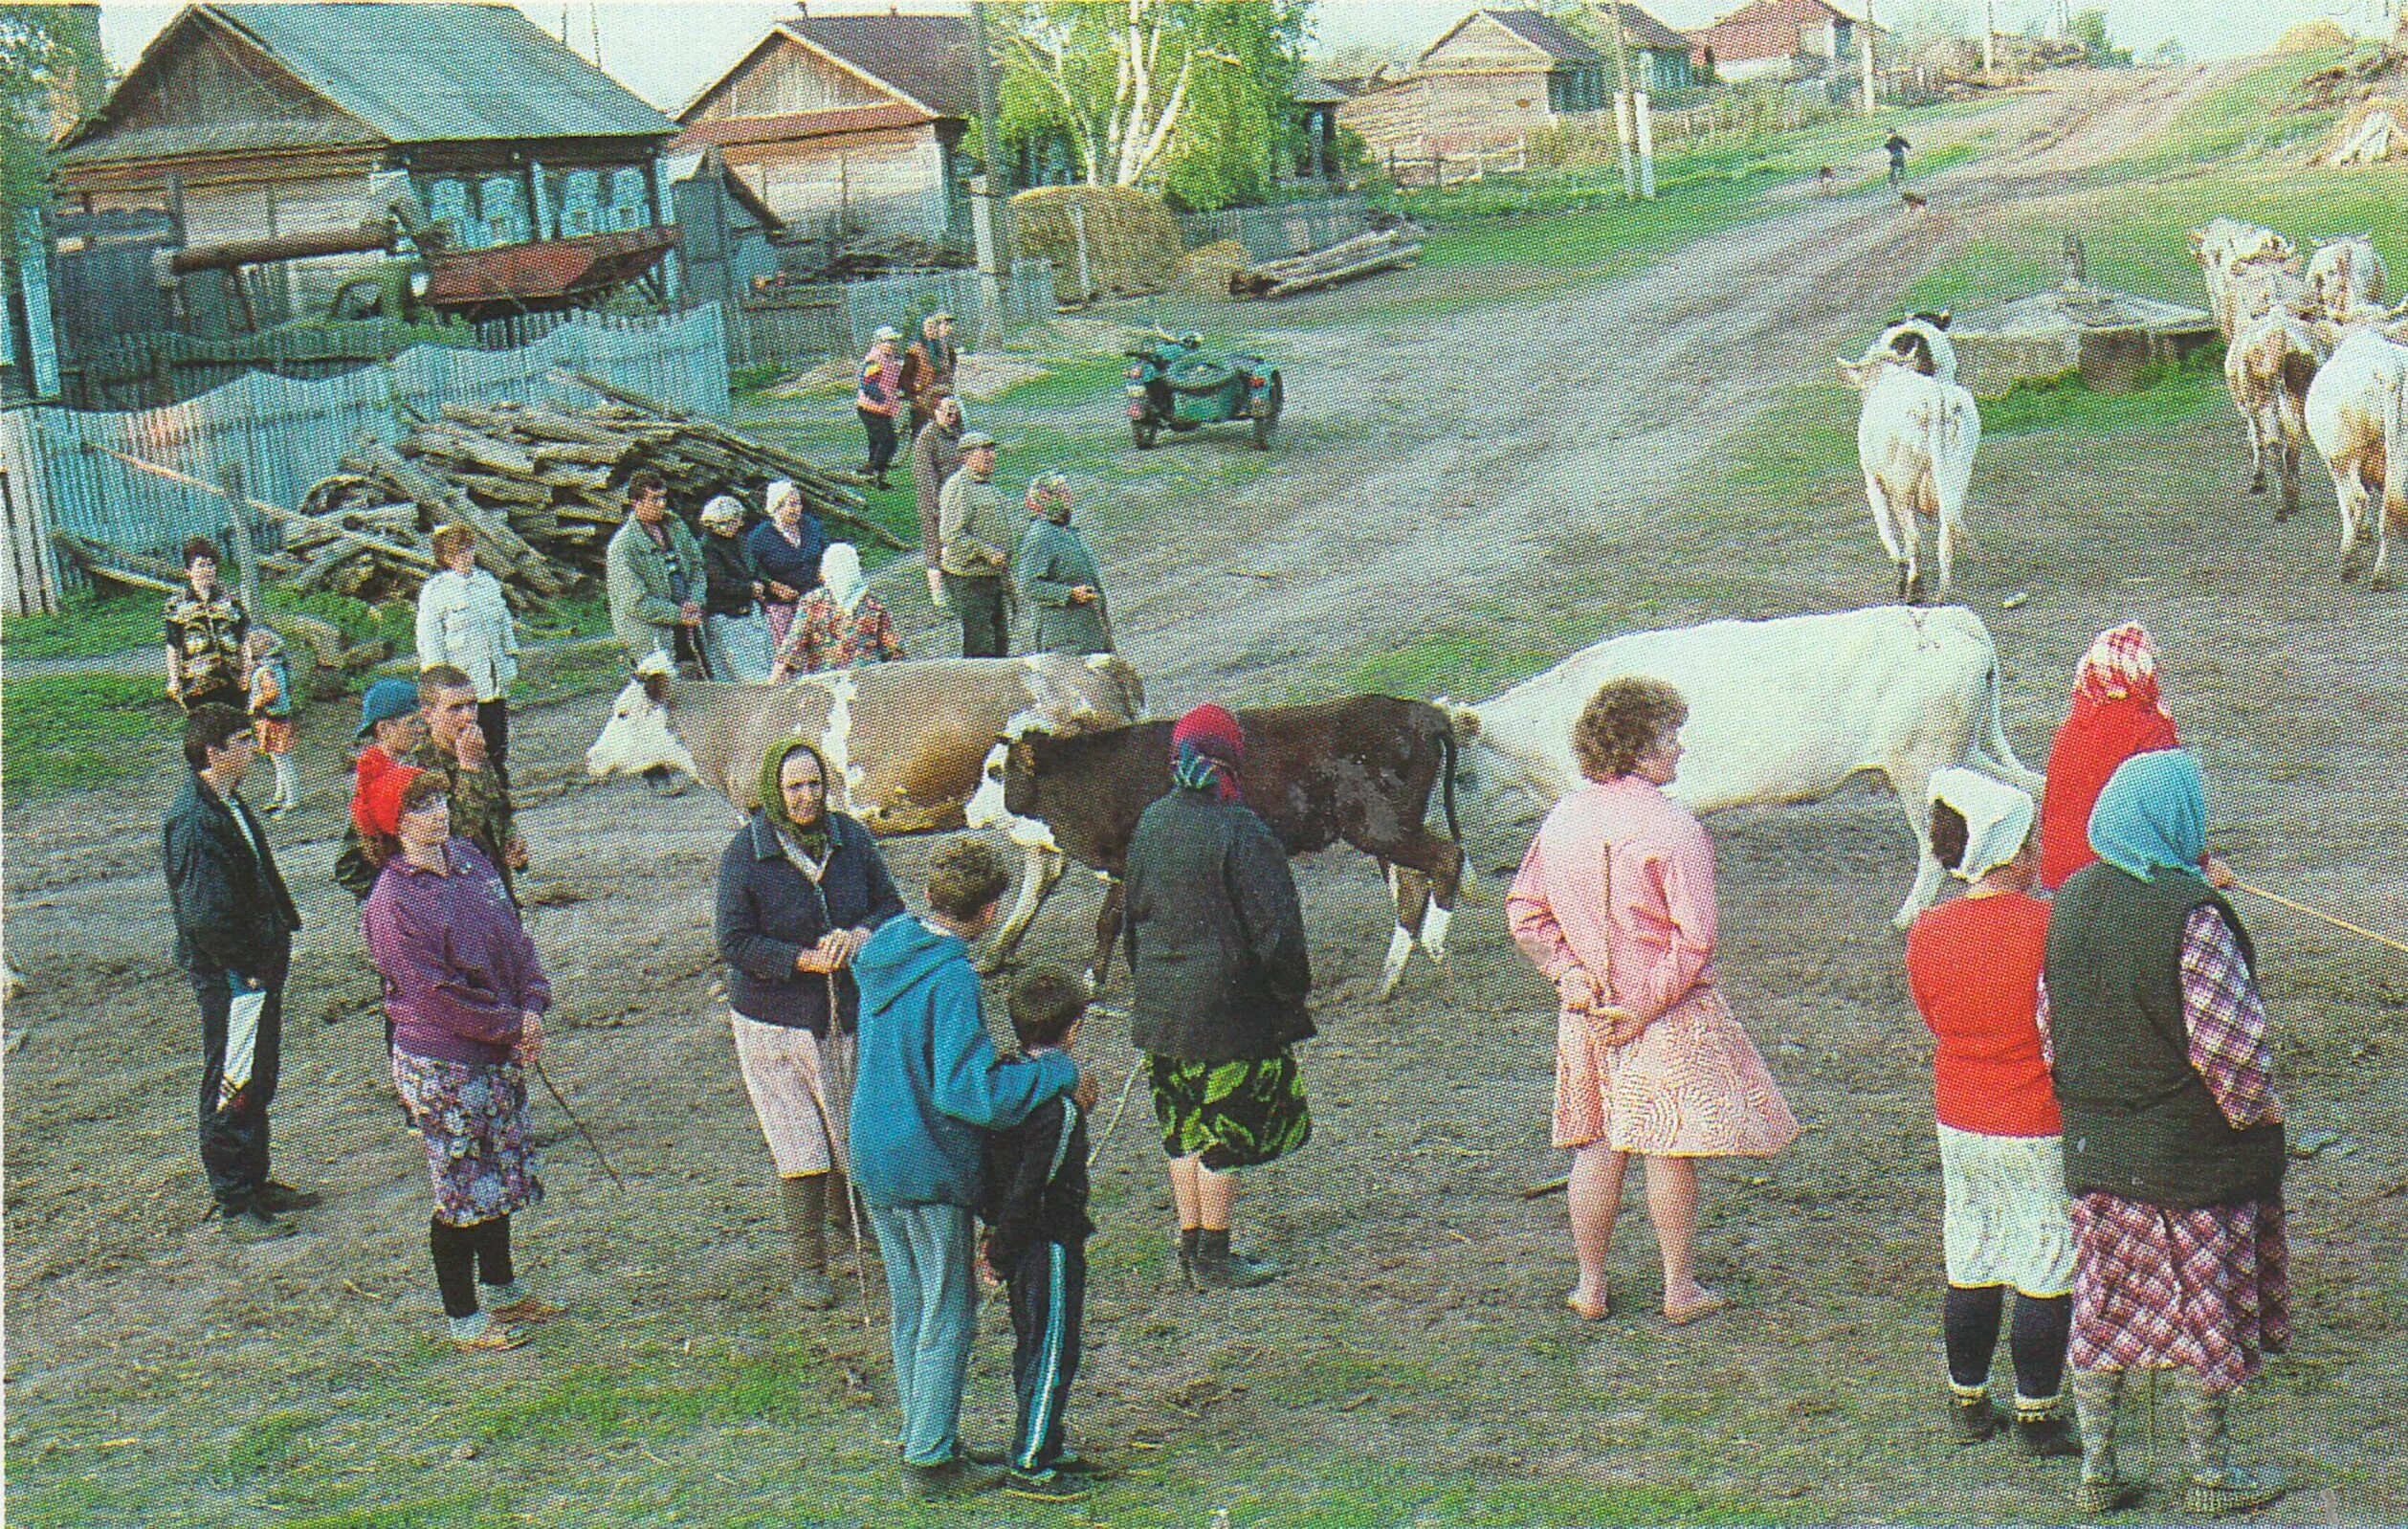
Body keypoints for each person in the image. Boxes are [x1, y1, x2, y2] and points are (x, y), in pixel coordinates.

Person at [1506, 677, 1799, 1327]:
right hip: (1658, 1015)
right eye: (1669, 737)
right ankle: (1678, 1288)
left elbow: (1526, 911)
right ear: (1636, 749)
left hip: (1586, 1012)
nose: (1680, 749)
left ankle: (1589, 1286)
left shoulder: (1564, 818)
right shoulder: (1674, 829)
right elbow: (1695, 940)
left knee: (1597, 1144)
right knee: (1667, 1147)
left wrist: (1568, 977)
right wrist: (1642, 1005)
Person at [2042, 751, 2288, 1518]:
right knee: (2201, 1311)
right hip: (2189, 1158)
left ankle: (2099, 1472)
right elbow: (2231, 1049)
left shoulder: (2071, 897)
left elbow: (2050, 1030)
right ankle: (2210, 1476)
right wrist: (2260, 1116)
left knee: (2104, 1306)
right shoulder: (2192, 915)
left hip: (2098, 1151)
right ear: (2179, 819)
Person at [850, 840, 1088, 1500]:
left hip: (872, 1152)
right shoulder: (951, 976)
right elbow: (969, 1093)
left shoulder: (887, 946)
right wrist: (1054, 1073)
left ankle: (924, 1432)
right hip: (926, 1159)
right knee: (947, 1308)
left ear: (929, 897)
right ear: (988, 911)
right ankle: (930, 1461)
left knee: (911, 1305)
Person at [1905, 768, 2077, 1458]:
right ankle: (2037, 1409)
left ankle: (1966, 1397)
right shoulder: (2051, 925)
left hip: (1960, 1113)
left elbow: (1931, 1015)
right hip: (2037, 1114)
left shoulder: (1927, 931)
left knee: (1970, 1253)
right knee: (2044, 1260)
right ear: (2016, 850)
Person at [363, 770, 561, 1354]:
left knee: (500, 1167)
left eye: (438, 799)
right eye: (419, 808)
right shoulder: (393, 902)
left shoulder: (472, 860)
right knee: (461, 1181)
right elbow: (432, 993)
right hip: (443, 1058)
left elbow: (514, 937)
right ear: (393, 825)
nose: (437, 814)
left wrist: (532, 1004)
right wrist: (507, 1026)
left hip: (498, 1044)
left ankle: (501, 1286)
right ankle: (464, 1316)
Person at [715, 738, 906, 1310]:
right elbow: (734, 941)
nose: (806, 797)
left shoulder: (851, 839)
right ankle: (808, 1263)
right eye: (794, 787)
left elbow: (890, 904)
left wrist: (859, 936)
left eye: (814, 785)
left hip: (843, 1012)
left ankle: (859, 1225)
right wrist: (800, 960)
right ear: (774, 790)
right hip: (774, 1021)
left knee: (849, 1125)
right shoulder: (745, 855)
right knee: (798, 1138)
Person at [1124, 704, 1311, 1291]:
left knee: (1182, 1129)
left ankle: (1192, 1246)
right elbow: (1278, 930)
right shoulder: (1242, 829)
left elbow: (1132, 917)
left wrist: (1150, 985)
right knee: (1226, 1133)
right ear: (1232, 756)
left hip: (1162, 1011)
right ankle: (1216, 1254)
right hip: (1229, 1012)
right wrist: (1287, 993)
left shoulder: (1152, 821)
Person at [164, 703, 308, 1240]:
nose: (254, 748)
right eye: (243, 741)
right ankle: (232, 1198)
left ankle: (255, 1178)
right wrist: (245, 968)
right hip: (232, 973)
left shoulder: (228, 803)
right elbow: (204, 915)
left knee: (257, 1072)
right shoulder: (195, 821)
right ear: (213, 753)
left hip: (254, 965)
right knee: (232, 1077)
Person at [979, 968, 1098, 1502]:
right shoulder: (1059, 1110)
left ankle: (1043, 1439)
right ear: (1074, 1029)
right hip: (1046, 1239)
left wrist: (996, 1238)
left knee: (1032, 1340)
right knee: (1054, 1345)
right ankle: (1029, 1461)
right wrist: (1002, 1252)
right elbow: (1035, 1185)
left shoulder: (1005, 1083)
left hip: (1013, 1233)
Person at [2041, 623, 2233, 893]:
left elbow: (2049, 811)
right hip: (2117, 877)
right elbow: (2170, 814)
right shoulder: (2149, 729)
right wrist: (2202, 867)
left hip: (2057, 878)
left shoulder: (2070, 730)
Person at [408, 665, 528, 908]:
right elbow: (455, 832)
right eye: (455, 708)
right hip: (449, 900)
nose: (468, 716)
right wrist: (470, 768)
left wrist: (510, 841)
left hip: (492, 888)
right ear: (428, 714)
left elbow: (498, 807)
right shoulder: (417, 767)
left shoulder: (470, 748)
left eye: (472, 705)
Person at [412, 525, 519, 775]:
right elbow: (431, 643)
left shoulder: (487, 583)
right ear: (446, 558)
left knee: (497, 746)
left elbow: (504, 626)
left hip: (493, 682)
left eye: (468, 550)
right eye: (458, 553)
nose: (465, 557)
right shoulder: (436, 592)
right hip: (462, 688)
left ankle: (499, 793)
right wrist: (439, 686)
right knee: (467, 748)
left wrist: (510, 663)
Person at [336, 678, 432, 902]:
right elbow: (349, 868)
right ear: (385, 729)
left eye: (421, 721)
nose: (421, 730)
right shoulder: (371, 779)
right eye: (412, 723)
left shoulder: (409, 765)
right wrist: (394, 897)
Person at [606, 470, 708, 677]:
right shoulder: (623, 546)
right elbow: (635, 602)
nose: (661, 504)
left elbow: (698, 567)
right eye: (654, 499)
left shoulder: (676, 526)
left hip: (688, 624)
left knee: (697, 683)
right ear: (636, 503)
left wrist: (695, 601)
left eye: (663, 498)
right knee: (661, 693)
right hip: (651, 634)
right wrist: (678, 615)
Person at [770, 543, 905, 678]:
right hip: (865, 681)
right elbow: (894, 650)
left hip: (828, 683)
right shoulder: (873, 602)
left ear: (825, 571)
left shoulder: (812, 602)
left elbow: (791, 648)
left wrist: (776, 680)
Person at [1013, 472, 1112, 655]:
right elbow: (1028, 586)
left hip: (1090, 633)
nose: (1069, 497)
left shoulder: (1067, 531)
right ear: (1045, 498)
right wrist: (1070, 594)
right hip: (1065, 641)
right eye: (1061, 492)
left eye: (1067, 491)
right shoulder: (1040, 536)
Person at [938, 432, 1012, 659]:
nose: (992, 456)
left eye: (992, 450)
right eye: (985, 450)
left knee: (1000, 643)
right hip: (971, 579)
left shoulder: (987, 485)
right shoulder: (959, 487)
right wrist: (987, 553)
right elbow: (951, 535)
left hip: (992, 576)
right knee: (981, 646)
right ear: (967, 457)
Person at [165, 538, 249, 714]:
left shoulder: (231, 601)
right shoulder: (177, 606)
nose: (207, 570)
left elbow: (245, 639)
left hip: (232, 677)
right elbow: (173, 645)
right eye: (201, 565)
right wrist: (174, 679)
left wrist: (247, 671)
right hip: (196, 682)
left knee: (235, 726)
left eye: (211, 565)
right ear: (189, 571)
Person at [697, 496, 774, 682]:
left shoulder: (740, 541)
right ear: (714, 523)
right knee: (739, 673)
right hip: (726, 615)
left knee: (764, 664)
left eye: (737, 521)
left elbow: (754, 568)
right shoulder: (707, 547)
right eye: (729, 522)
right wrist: (749, 588)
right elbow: (718, 583)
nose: (735, 526)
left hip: (750, 611)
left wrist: (763, 584)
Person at [746, 479, 825, 654]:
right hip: (783, 604)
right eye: (792, 505)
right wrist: (772, 585)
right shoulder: (760, 537)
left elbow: (827, 550)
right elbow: (752, 570)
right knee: (791, 652)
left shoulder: (810, 525)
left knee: (821, 648)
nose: (798, 509)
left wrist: (824, 570)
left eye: (799, 504)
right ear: (777, 507)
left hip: (816, 598)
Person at [913, 393, 966, 611]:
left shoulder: (960, 433)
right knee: (936, 547)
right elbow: (925, 478)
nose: (951, 416)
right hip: (936, 501)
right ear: (935, 412)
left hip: (959, 499)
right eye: (946, 411)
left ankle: (959, 590)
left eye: (954, 411)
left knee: (958, 543)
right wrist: (936, 507)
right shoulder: (927, 438)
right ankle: (939, 597)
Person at [243, 629, 299, 815]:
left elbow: (271, 692)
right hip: (281, 716)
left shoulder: (265, 671)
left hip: (273, 719)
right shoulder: (279, 667)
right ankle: (279, 794)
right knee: (278, 759)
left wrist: (254, 704)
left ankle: (291, 799)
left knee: (281, 760)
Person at [857, 324, 906, 490]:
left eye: (894, 341)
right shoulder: (875, 360)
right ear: (879, 343)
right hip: (871, 409)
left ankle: (872, 475)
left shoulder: (889, 360)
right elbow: (868, 385)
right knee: (888, 441)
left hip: (881, 409)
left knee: (877, 442)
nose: (893, 345)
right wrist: (884, 398)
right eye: (889, 341)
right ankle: (876, 472)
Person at [899, 311, 960, 439]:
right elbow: (905, 377)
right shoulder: (914, 351)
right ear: (922, 329)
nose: (932, 330)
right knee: (923, 431)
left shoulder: (946, 349)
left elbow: (951, 369)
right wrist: (912, 395)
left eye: (934, 326)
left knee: (952, 424)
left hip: (944, 393)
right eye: (928, 327)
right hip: (923, 396)